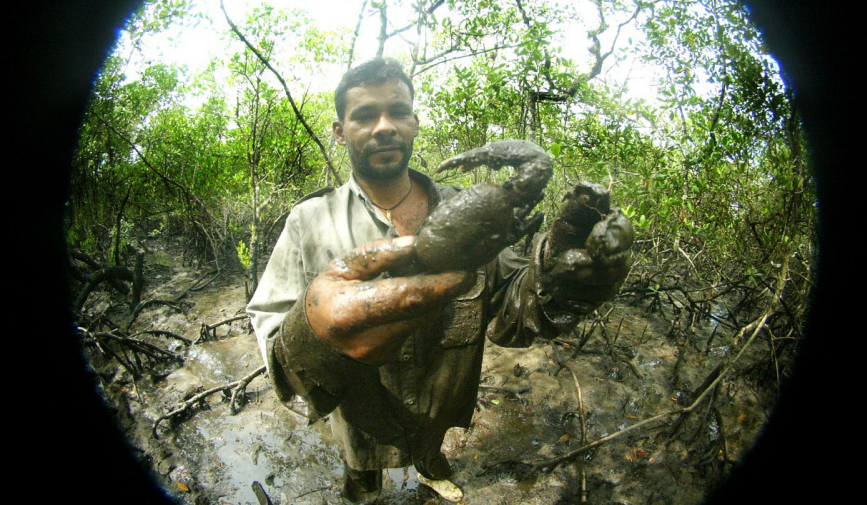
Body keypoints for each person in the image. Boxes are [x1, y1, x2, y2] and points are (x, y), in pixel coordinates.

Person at [247, 57, 633, 503]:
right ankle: (362, 487)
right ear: (340, 131)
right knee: (361, 469)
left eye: (398, 111)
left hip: (439, 404)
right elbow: (272, 336)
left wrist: (565, 281)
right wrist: (313, 334)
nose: (384, 126)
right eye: (365, 115)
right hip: (360, 417)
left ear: (414, 122)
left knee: (431, 449)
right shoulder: (307, 222)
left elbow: (517, 309)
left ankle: (431, 466)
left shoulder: (472, 212)